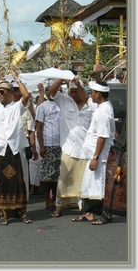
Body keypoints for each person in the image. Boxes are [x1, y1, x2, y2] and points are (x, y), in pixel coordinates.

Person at [0, 73, 33, 225]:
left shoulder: (17, 107)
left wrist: (17, 79)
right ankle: (3, 213)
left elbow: (26, 95)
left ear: (10, 93)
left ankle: (21, 212)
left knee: (17, 181)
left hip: (14, 148)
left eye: (2, 91)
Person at [71, 78, 115, 225]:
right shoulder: (100, 107)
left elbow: (102, 137)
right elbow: (85, 98)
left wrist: (96, 157)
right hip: (92, 155)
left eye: (93, 92)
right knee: (90, 184)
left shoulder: (104, 112)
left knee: (100, 185)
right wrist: (78, 84)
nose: (91, 95)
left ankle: (104, 215)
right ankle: (89, 212)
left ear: (98, 94)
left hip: (99, 156)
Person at [48, 78, 93, 218]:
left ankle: (83, 209)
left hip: (84, 150)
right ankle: (59, 206)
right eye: (71, 91)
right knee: (63, 179)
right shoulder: (65, 101)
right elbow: (51, 92)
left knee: (82, 181)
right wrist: (60, 77)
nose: (74, 94)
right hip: (68, 148)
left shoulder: (91, 106)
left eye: (76, 91)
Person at [36, 83, 62, 210]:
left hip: (62, 144)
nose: (50, 92)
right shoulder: (42, 107)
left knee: (58, 174)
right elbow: (39, 127)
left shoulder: (62, 104)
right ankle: (48, 199)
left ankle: (56, 198)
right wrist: (41, 146)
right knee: (47, 174)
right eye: (48, 90)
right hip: (48, 144)